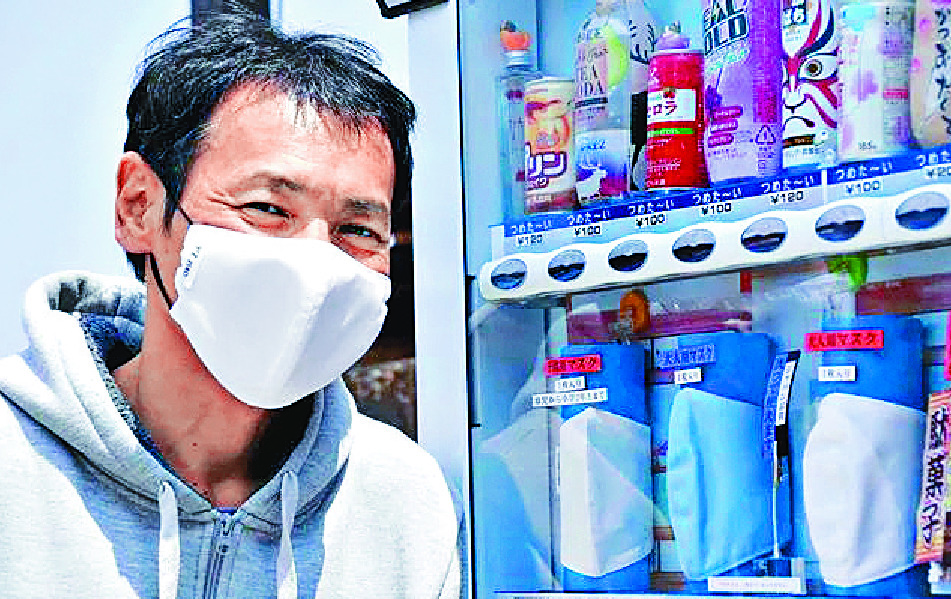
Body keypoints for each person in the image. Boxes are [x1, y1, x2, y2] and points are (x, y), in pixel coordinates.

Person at [0, 11, 463, 598]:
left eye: (358, 230)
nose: (317, 263)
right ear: (138, 206)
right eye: (268, 209)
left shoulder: (405, 507)